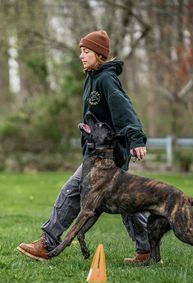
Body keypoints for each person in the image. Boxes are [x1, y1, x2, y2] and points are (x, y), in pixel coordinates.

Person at [17, 30, 150, 263]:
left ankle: (47, 242)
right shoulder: (92, 77)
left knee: (71, 191)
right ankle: (147, 250)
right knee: (127, 201)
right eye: (81, 51)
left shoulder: (106, 79)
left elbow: (125, 111)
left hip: (108, 156)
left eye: (86, 51)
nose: (81, 55)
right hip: (95, 153)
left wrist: (136, 139)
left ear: (99, 55)